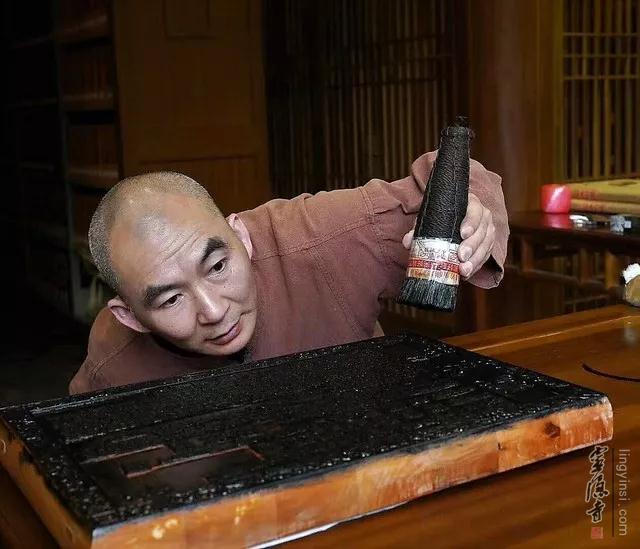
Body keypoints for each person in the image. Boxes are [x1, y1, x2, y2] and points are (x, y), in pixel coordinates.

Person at [69, 151, 509, 394]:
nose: (214, 311)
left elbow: (453, 173)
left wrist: (472, 216)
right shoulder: (113, 358)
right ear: (130, 317)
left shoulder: (318, 238)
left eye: (218, 266)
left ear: (240, 235)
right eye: (171, 299)